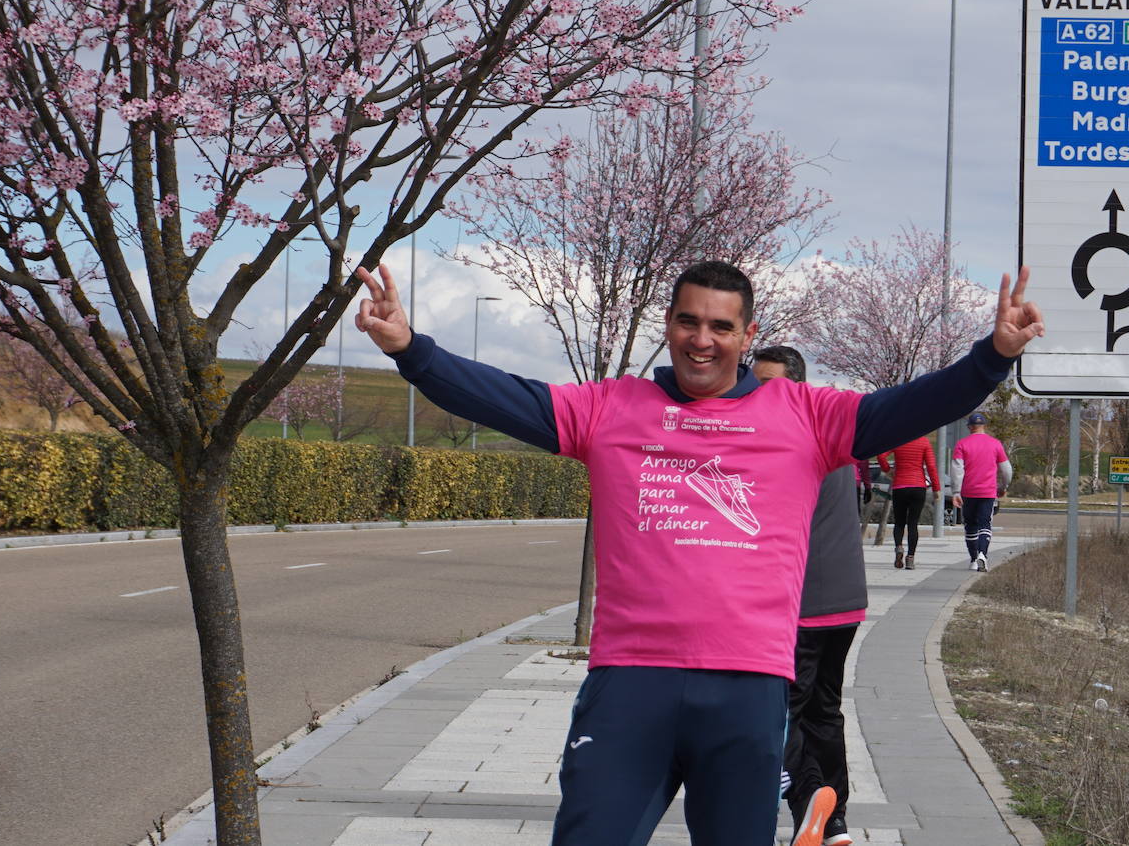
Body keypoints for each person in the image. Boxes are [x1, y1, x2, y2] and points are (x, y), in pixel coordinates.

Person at [355, 259, 1043, 846]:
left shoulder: (805, 415)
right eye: (689, 322)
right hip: (630, 682)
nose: (702, 340)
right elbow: (500, 397)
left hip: (746, 689)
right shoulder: (608, 407)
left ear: (747, 336)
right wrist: (410, 348)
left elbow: (914, 405)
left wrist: (992, 357)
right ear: (670, 326)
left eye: (721, 327)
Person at [752, 345, 865, 846]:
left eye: (767, 384)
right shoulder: (829, 427)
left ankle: (807, 801)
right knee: (824, 712)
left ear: (795, 384)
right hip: (846, 598)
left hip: (800, 603)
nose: (757, 394)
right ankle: (835, 823)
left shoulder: (781, 435)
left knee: (777, 714)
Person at [951, 412, 1012, 572]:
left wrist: (956, 491)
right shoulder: (996, 444)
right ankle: (983, 554)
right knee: (985, 524)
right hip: (988, 491)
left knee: (970, 525)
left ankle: (972, 559)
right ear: (984, 426)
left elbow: (957, 469)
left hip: (968, 491)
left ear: (970, 427)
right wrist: (1003, 486)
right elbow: (1006, 469)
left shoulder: (962, 444)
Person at [877, 434, 939, 570]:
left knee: (899, 522)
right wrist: (936, 488)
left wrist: (888, 470)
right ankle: (910, 558)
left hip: (900, 486)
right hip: (918, 487)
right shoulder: (924, 442)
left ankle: (899, 547)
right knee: (913, 523)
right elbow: (931, 467)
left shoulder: (898, 439)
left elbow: (880, 456)